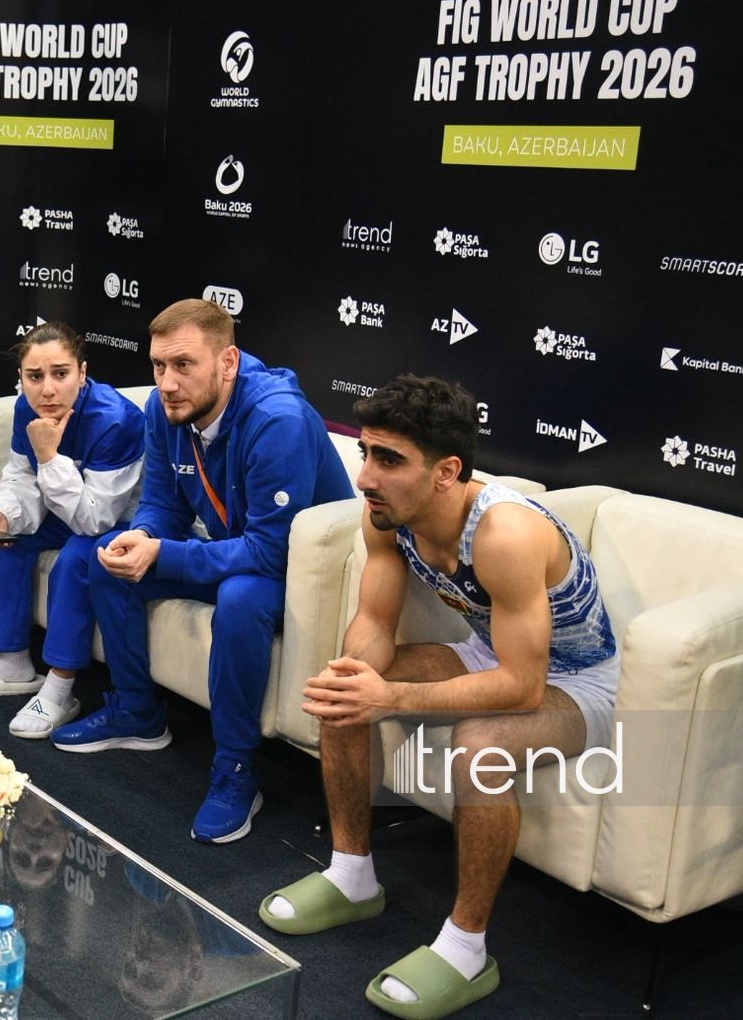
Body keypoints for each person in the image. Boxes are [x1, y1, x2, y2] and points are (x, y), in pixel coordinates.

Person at [258, 374, 619, 1019]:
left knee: (477, 746)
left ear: (447, 471)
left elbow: (524, 685)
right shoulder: (387, 516)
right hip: (491, 654)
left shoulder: (505, 534)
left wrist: (389, 694)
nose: (366, 477)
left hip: (581, 682)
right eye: (366, 453)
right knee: (347, 687)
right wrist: (363, 684)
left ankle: (467, 947)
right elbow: (373, 621)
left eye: (389, 460)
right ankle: (352, 875)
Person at [50, 298, 353, 844]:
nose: (167, 382)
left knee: (239, 598)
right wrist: (142, 537)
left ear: (228, 362)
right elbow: (165, 506)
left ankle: (236, 769)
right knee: (109, 561)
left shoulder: (276, 420)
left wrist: (164, 554)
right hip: (246, 550)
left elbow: (271, 552)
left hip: (307, 578)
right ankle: (138, 712)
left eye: (183, 365)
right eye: (159, 366)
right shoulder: (164, 409)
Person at [0, 322, 145, 738]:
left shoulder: (116, 420)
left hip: (123, 522)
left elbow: (95, 520)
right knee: (5, 540)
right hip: (70, 509)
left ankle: (60, 687)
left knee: (77, 556)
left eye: (61, 373)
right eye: (34, 377)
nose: (47, 389)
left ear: (83, 372)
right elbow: (21, 478)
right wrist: (4, 514)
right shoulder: (26, 408)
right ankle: (13, 663)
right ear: (22, 378)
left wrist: (49, 456)